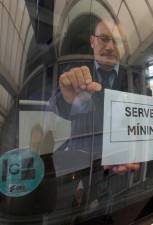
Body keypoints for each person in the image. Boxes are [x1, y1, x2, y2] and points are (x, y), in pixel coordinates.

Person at [48, 18, 141, 175]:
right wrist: (66, 97)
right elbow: (55, 107)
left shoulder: (135, 78)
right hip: (82, 168)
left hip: (123, 167)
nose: (111, 47)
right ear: (92, 41)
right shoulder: (76, 70)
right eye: (104, 39)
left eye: (117, 42)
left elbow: (146, 121)